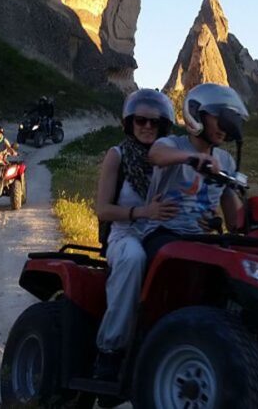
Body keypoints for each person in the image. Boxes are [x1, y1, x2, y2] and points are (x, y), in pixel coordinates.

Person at [92, 89, 178, 380]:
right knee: (133, 258)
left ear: (164, 126)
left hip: (162, 233)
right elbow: (102, 209)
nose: (147, 127)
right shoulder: (117, 156)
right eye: (140, 120)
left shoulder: (170, 161)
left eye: (155, 123)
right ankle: (110, 351)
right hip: (125, 234)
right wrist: (142, 213)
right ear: (129, 123)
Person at [141, 83, 249, 262]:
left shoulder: (225, 161)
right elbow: (156, 155)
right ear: (196, 114)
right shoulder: (173, 145)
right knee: (184, 265)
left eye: (229, 120)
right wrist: (192, 157)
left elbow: (234, 223)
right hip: (163, 234)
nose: (224, 126)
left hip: (202, 238)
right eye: (218, 117)